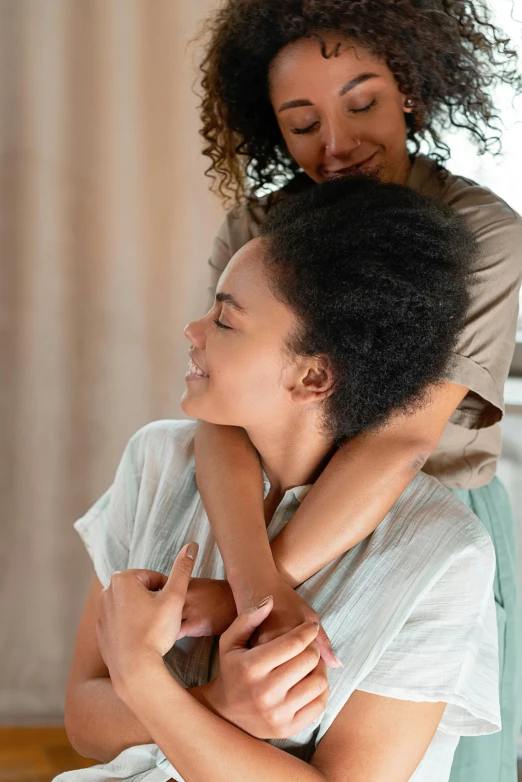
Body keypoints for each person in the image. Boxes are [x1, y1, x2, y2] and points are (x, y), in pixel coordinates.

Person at [60, 178, 499, 782]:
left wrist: (143, 682)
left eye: (226, 320)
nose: (192, 330)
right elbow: (84, 727)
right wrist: (219, 704)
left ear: (313, 377)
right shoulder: (155, 460)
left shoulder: (442, 552)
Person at [194, 3, 522, 780]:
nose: (336, 145)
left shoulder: (482, 233)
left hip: (430, 526)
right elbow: (220, 417)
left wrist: (255, 593)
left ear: (409, 85)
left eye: (362, 102)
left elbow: (404, 439)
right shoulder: (256, 231)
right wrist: (255, 585)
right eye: (301, 122)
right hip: (263, 527)